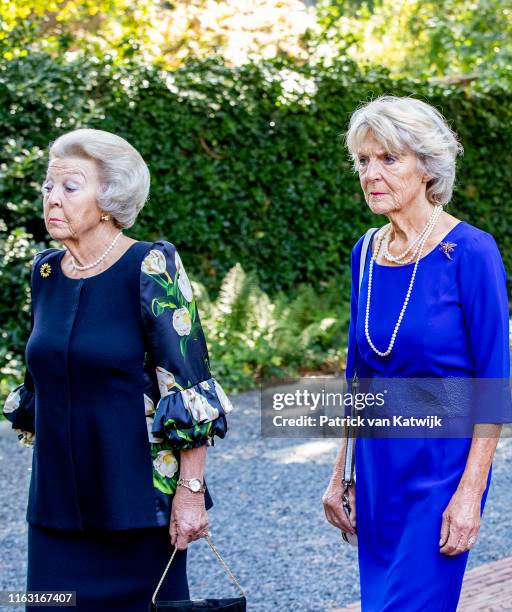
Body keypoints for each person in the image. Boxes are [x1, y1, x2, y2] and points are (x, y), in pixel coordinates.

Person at [3, 128, 233, 611]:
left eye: (69, 186)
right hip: (55, 508)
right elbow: (42, 381)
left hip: (137, 505)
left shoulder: (149, 264)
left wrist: (189, 493)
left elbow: (187, 383)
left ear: (108, 198)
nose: (52, 199)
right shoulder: (44, 272)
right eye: (48, 186)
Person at [322, 96, 510, 611]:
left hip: (441, 467)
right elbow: (357, 371)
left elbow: (495, 382)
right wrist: (342, 472)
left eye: (388, 159)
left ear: (426, 167)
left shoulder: (471, 251)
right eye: (363, 161)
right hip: (380, 468)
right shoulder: (367, 251)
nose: (370, 174)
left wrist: (471, 492)